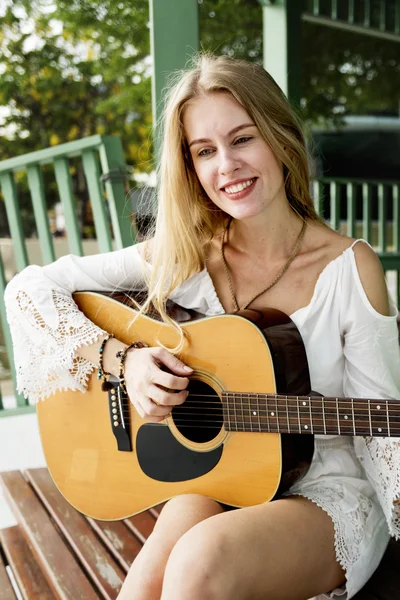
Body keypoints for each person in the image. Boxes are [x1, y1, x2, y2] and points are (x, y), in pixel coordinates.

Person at [4, 53, 400, 600]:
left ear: (280, 138)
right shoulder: (184, 256)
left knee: (197, 562)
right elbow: (28, 289)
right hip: (227, 475)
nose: (226, 167)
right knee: (142, 588)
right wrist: (125, 360)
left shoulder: (349, 269)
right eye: (204, 151)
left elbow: (382, 431)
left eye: (243, 139)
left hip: (328, 494)